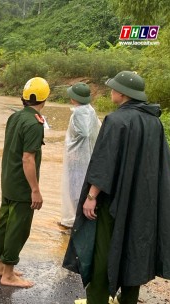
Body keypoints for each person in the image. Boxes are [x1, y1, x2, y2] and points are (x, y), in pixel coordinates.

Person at [63, 71, 170, 303]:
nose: (111, 91)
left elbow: (105, 163)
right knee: (135, 251)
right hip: (143, 201)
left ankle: (98, 298)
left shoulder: (116, 120)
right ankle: (128, 300)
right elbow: (157, 166)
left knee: (102, 253)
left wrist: (91, 196)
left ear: (121, 93)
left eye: (113, 88)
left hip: (114, 202)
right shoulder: (154, 122)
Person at [0, 77, 50, 288]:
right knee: (19, 227)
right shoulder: (35, 123)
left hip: (8, 180)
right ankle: (8, 274)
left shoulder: (14, 117)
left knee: (4, 223)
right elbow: (28, 158)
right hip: (22, 186)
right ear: (45, 98)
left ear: (23, 97)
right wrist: (35, 190)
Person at [59, 82, 101, 229]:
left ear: (74, 98)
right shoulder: (90, 110)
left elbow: (84, 133)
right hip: (87, 159)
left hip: (78, 160)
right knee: (80, 189)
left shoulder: (78, 112)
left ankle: (77, 225)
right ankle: (77, 222)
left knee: (75, 191)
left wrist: (76, 149)